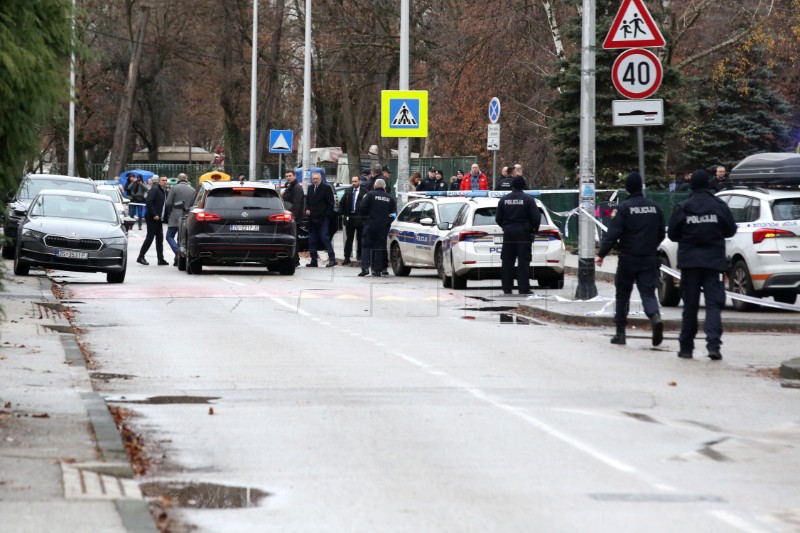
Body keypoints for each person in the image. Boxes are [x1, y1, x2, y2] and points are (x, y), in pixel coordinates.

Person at [668, 169, 737, 360]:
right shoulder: (719, 205)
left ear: (692, 186)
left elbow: (673, 234)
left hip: (690, 263)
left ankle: (686, 347)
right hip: (713, 263)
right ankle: (713, 345)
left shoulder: (683, 207)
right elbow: (731, 229)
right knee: (714, 304)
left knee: (690, 305)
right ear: (708, 185)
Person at [596, 172, 666, 346]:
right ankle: (655, 317)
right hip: (649, 258)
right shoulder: (655, 208)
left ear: (627, 188)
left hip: (628, 258)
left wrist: (602, 254)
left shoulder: (624, 208)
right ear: (641, 186)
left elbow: (613, 233)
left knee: (622, 295)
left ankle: (620, 333)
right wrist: (650, 247)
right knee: (648, 293)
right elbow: (660, 234)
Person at [495, 176, 541, 295]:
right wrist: (533, 229)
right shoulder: (528, 200)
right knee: (523, 262)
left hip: (508, 234)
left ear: (512, 185)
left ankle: (507, 288)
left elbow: (498, 218)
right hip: (523, 234)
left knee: (507, 262)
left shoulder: (504, 200)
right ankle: (523, 288)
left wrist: (506, 227)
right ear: (523, 185)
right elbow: (536, 217)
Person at [359, 178, 396, 277]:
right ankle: (377, 270)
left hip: (370, 224)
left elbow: (362, 207)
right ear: (384, 187)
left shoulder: (369, 195)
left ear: (374, 186)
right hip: (382, 226)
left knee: (366, 246)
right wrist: (387, 222)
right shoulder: (389, 198)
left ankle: (365, 268)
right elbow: (393, 214)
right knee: (379, 247)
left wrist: (366, 218)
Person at [305, 171, 336, 267]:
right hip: (312, 218)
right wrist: (307, 209)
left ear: (320, 179)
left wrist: (326, 214)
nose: (315, 180)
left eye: (316, 179)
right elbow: (308, 201)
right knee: (312, 240)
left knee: (324, 238)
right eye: (313, 179)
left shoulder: (326, 188)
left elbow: (331, 203)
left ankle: (332, 259)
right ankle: (314, 261)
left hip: (323, 218)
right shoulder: (310, 188)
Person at [137, 176, 169, 266]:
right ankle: (141, 256)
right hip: (152, 218)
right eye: (163, 180)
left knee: (159, 239)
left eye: (166, 180)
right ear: (159, 181)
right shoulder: (154, 189)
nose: (165, 182)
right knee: (150, 238)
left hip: (159, 219)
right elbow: (148, 202)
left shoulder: (164, 191)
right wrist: (154, 214)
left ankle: (160, 259)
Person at [165, 173, 195, 266]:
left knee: (169, 236)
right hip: (187, 215)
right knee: (181, 238)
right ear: (186, 179)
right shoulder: (192, 189)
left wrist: (170, 212)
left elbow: (168, 202)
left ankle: (177, 251)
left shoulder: (174, 188)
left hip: (175, 214)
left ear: (178, 179)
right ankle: (177, 260)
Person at [341, 176, 368, 265]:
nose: (354, 183)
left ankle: (359, 255)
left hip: (360, 217)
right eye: (352, 181)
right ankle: (347, 257)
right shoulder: (348, 191)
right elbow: (342, 203)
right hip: (350, 218)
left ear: (359, 181)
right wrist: (344, 213)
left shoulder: (364, 191)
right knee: (349, 239)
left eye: (356, 181)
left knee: (360, 238)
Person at [282, 170, 304, 267]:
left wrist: (292, 218)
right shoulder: (289, 186)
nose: (288, 177)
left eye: (290, 176)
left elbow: (296, 205)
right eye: (286, 176)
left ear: (294, 176)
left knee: (294, 240)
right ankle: (295, 259)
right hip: (290, 217)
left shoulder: (297, 188)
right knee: (293, 239)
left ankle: (295, 260)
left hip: (294, 218)